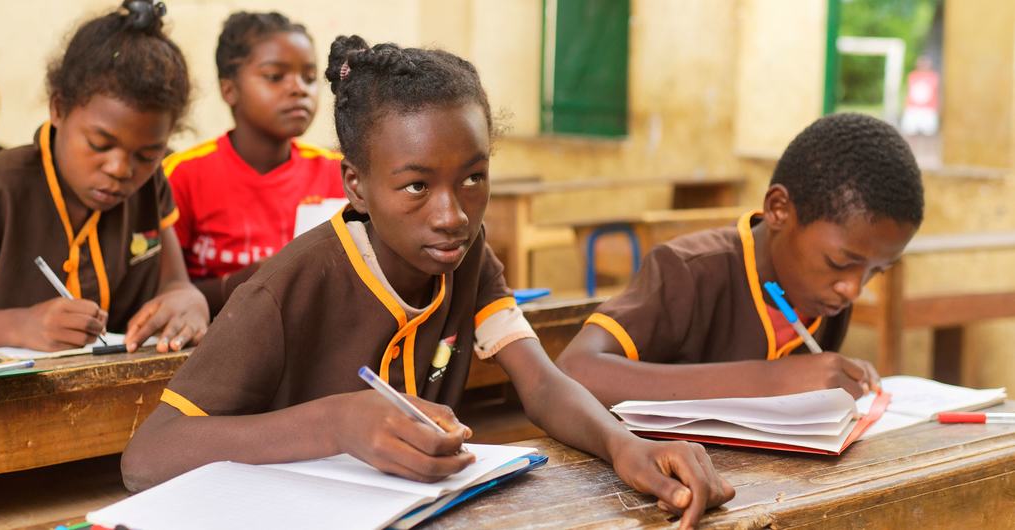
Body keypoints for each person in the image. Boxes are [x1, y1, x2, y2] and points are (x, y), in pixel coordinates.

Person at [122, 36, 734, 528]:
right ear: (356, 184)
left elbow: (541, 382)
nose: (453, 214)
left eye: (473, 178)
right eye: (417, 186)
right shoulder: (285, 290)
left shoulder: (466, 256)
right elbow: (146, 457)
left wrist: (623, 446)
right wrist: (336, 424)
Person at [0, 0, 207, 353]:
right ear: (58, 108)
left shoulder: (150, 184)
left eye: (147, 154)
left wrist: (189, 300)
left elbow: (174, 283)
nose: (121, 169)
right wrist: (19, 326)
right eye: (99, 143)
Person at [557, 113, 924, 405]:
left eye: (874, 272)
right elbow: (575, 370)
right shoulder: (688, 270)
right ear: (779, 209)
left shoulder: (823, 299)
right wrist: (771, 379)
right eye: (840, 264)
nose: (852, 289)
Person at [164, 11, 343, 313]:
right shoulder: (183, 174)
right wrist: (247, 281)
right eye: (275, 76)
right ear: (229, 89)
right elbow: (163, 290)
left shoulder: (337, 173)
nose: (299, 88)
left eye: (310, 78)